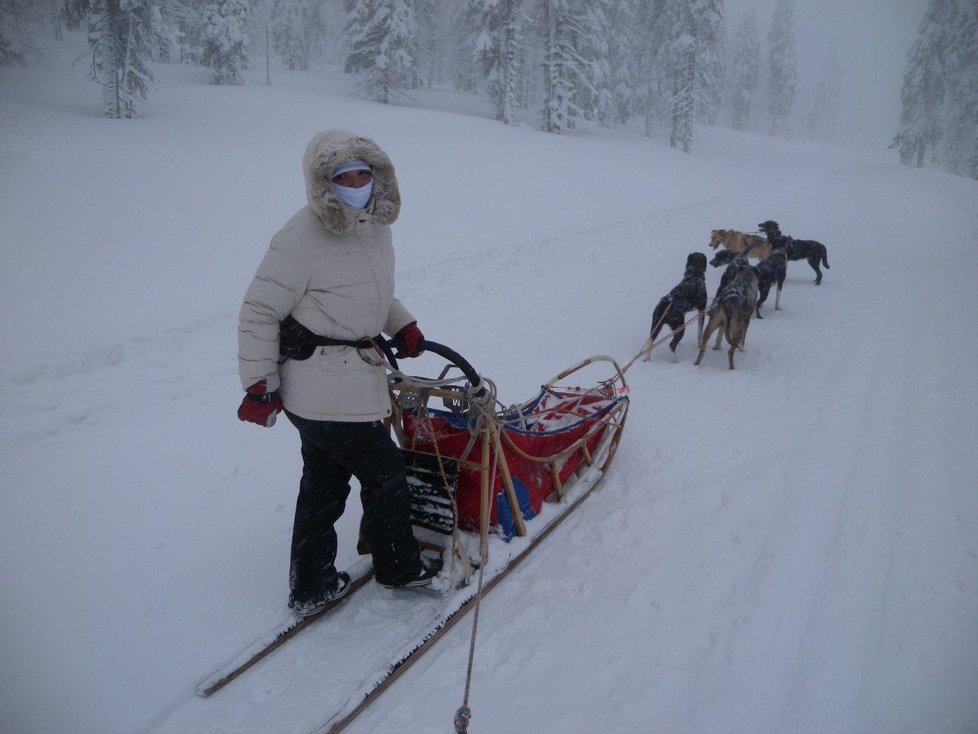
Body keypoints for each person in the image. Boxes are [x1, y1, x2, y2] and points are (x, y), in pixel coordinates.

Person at [236, 129, 441, 618]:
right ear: (322, 181)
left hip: (348, 380)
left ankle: (311, 582)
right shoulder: (300, 237)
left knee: (324, 483)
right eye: (342, 176)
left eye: (362, 173)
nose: (355, 182)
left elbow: (372, 293)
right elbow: (259, 311)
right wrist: (259, 387)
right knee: (386, 474)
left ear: (377, 175)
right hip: (323, 385)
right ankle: (398, 567)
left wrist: (402, 323)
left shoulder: (373, 227)